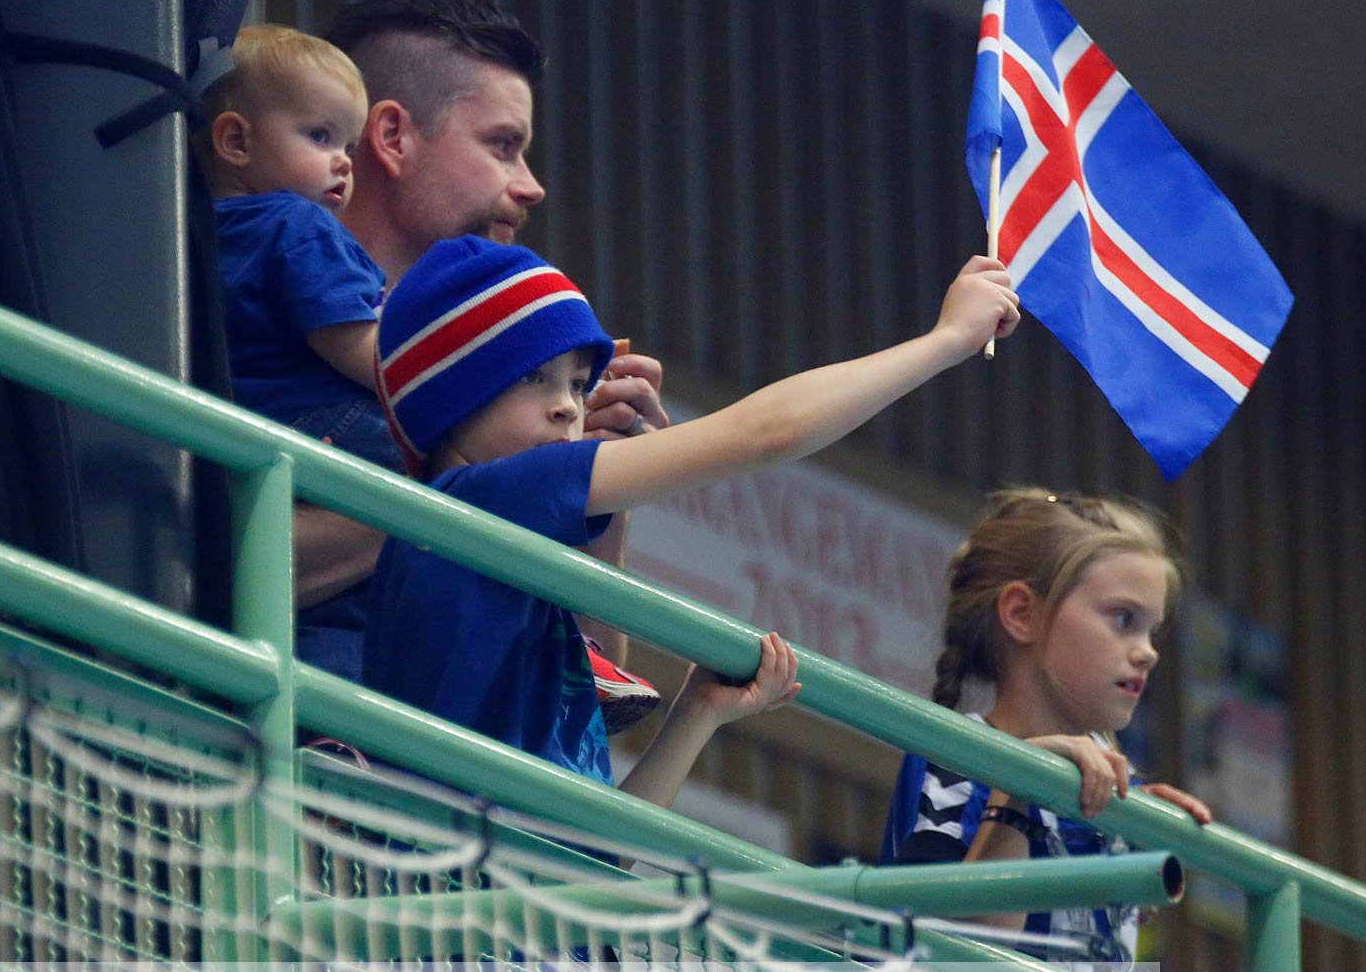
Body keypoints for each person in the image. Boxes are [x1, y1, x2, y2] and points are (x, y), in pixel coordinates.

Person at [363, 236, 1021, 805]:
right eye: (535, 377)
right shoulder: (482, 497)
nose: (568, 408)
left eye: (576, 383)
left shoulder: (508, 568)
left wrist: (697, 714)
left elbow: (606, 854)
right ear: (449, 392)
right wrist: (948, 340)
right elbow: (769, 432)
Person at [284, 0, 664, 725]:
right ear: (392, 137)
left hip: (449, 807)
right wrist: (496, 490)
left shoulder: (527, 380)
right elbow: (190, 572)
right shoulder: (224, 308)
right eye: (502, 146)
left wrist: (597, 491)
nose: (532, 185)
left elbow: (585, 696)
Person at [879, 489, 1214, 961]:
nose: (1149, 651)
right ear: (1022, 615)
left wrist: (1139, 831)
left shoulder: (1125, 801)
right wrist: (1022, 792)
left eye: (1151, 630)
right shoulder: (956, 757)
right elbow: (959, 971)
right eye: (1123, 619)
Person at [196, 24, 401, 474]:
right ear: (236, 141)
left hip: (244, 434)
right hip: (324, 425)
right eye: (320, 136)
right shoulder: (297, 224)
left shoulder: (197, 231)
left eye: (349, 145)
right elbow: (356, 346)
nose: (345, 162)